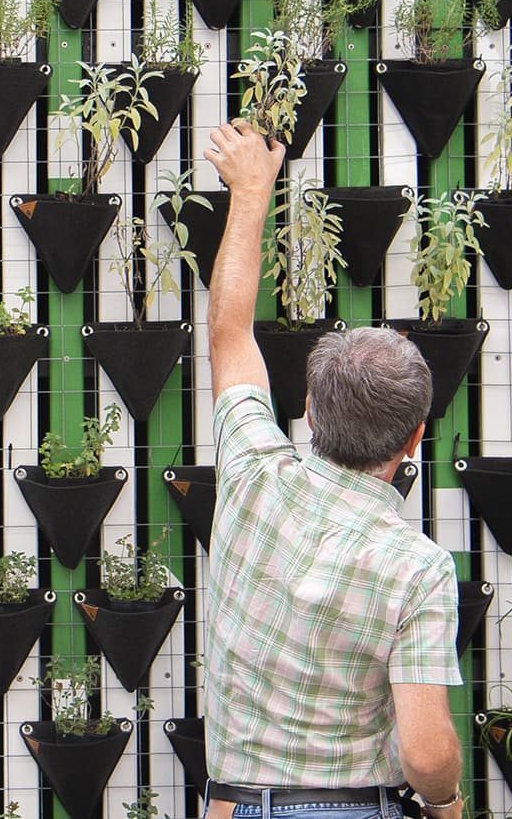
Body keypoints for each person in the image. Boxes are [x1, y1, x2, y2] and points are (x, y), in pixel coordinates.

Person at [199, 120, 464, 819]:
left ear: (309, 411)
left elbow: (229, 333)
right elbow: (427, 754)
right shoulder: (419, 568)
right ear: (414, 440)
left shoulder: (253, 470)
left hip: (232, 807)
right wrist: (446, 805)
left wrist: (252, 194)